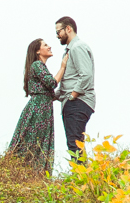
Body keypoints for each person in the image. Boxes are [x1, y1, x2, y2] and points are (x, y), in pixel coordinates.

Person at [6, 38, 66, 174]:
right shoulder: (37, 65)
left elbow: (50, 92)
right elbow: (51, 83)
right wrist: (62, 67)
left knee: (39, 143)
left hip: (43, 109)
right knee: (35, 143)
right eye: (45, 45)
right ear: (38, 51)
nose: (49, 47)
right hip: (38, 110)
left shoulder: (40, 66)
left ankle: (35, 175)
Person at [55, 16, 95, 163]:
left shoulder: (78, 47)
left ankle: (81, 179)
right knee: (75, 142)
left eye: (58, 31)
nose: (57, 36)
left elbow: (86, 75)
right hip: (72, 102)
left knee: (75, 143)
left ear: (68, 29)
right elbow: (68, 81)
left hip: (78, 102)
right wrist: (52, 95)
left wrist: (72, 95)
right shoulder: (69, 51)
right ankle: (83, 178)